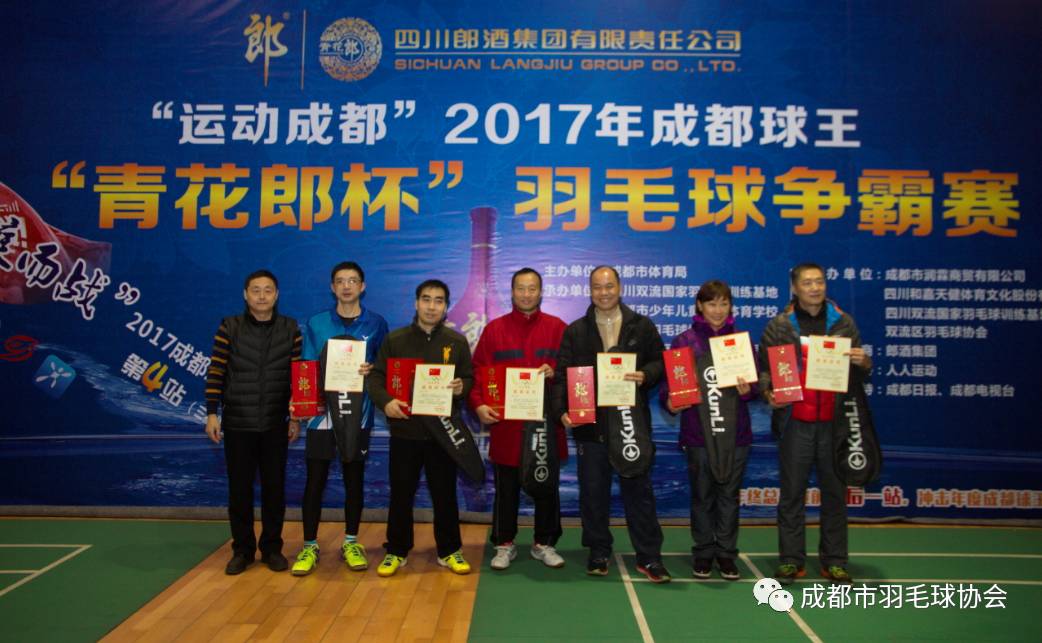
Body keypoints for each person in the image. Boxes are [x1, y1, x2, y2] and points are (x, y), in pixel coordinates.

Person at [551, 266, 672, 583]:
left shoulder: (641, 326)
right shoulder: (576, 331)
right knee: (593, 493)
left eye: (609, 286)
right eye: (597, 287)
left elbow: (660, 361)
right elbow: (562, 375)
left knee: (639, 492)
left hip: (630, 422)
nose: (603, 292)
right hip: (590, 425)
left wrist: (646, 374)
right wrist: (561, 410)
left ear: (619, 287)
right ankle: (598, 551)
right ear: (589, 290)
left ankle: (649, 556)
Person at [759, 263, 872, 585]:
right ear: (795, 288)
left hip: (835, 424)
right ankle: (790, 561)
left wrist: (864, 362)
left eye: (819, 282)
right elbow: (765, 371)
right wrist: (769, 393)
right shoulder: (780, 326)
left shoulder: (843, 323)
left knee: (835, 494)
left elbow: (859, 373)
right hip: (795, 422)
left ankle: (834, 561)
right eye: (807, 283)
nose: (815, 288)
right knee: (792, 494)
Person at [368, 279, 475, 577]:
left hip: (442, 434)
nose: (431, 306)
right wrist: (386, 401)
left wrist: (461, 387)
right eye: (426, 299)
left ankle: (449, 550)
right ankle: (396, 550)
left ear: (446, 307)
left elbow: (470, 378)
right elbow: (376, 377)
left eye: (438, 301)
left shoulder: (456, 341)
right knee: (401, 494)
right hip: (406, 432)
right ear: (416, 303)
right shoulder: (396, 340)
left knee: (445, 494)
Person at [290, 261, 388, 576]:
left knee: (353, 478)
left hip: (358, 414)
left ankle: (351, 542)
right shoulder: (317, 323)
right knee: (315, 480)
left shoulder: (377, 324)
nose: (347, 286)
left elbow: (384, 368)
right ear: (332, 287)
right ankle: (309, 545)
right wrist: (301, 405)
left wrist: (372, 370)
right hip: (322, 416)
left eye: (353, 281)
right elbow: (306, 368)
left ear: (363, 286)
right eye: (340, 281)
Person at [205, 269, 302, 575]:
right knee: (240, 491)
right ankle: (243, 550)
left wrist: (295, 416)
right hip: (238, 423)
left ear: (277, 295)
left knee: (275, 490)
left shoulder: (290, 329)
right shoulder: (229, 327)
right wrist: (211, 412)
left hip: (275, 422)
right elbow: (216, 370)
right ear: (245, 295)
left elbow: (297, 376)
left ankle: (272, 548)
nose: (262, 296)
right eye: (256, 290)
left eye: (268, 290)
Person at [469, 268, 567, 570]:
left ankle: (544, 543)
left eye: (532, 288)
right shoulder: (495, 330)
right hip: (508, 426)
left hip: (545, 425)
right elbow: (477, 373)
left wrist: (555, 372)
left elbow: (574, 372)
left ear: (541, 292)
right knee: (506, 487)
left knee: (546, 486)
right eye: (521, 288)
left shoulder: (558, 328)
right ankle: (504, 543)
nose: (526, 294)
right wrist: (479, 405)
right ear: (512, 292)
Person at [660, 280, 756, 581]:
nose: (718, 310)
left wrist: (748, 390)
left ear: (731, 307)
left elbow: (755, 388)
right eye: (712, 303)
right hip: (698, 434)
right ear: (700, 306)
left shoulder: (740, 342)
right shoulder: (684, 342)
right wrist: (671, 402)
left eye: (724, 303)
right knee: (702, 496)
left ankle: (726, 554)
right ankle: (702, 552)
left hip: (736, 434)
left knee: (729, 496)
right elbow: (669, 389)